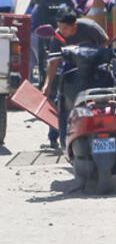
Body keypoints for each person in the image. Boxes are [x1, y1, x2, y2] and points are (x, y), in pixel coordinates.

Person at [41, 10, 109, 148]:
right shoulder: (57, 35)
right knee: (61, 100)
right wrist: (47, 84)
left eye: (65, 28)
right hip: (71, 69)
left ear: (75, 25)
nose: (62, 31)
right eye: (60, 27)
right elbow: (53, 62)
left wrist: (95, 55)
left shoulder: (91, 28)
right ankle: (57, 137)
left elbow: (105, 41)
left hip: (94, 66)